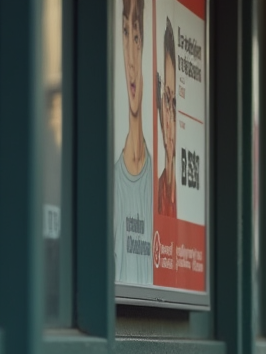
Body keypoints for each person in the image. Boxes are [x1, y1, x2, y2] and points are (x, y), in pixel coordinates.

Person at [114, 0, 153, 285]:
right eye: (125, 34)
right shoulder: (112, 185)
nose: (130, 57)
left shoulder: (158, 183)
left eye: (136, 36)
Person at [156, 17, 177, 217]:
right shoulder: (156, 192)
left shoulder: (176, 194)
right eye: (166, 101)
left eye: (174, 103)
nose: (170, 117)